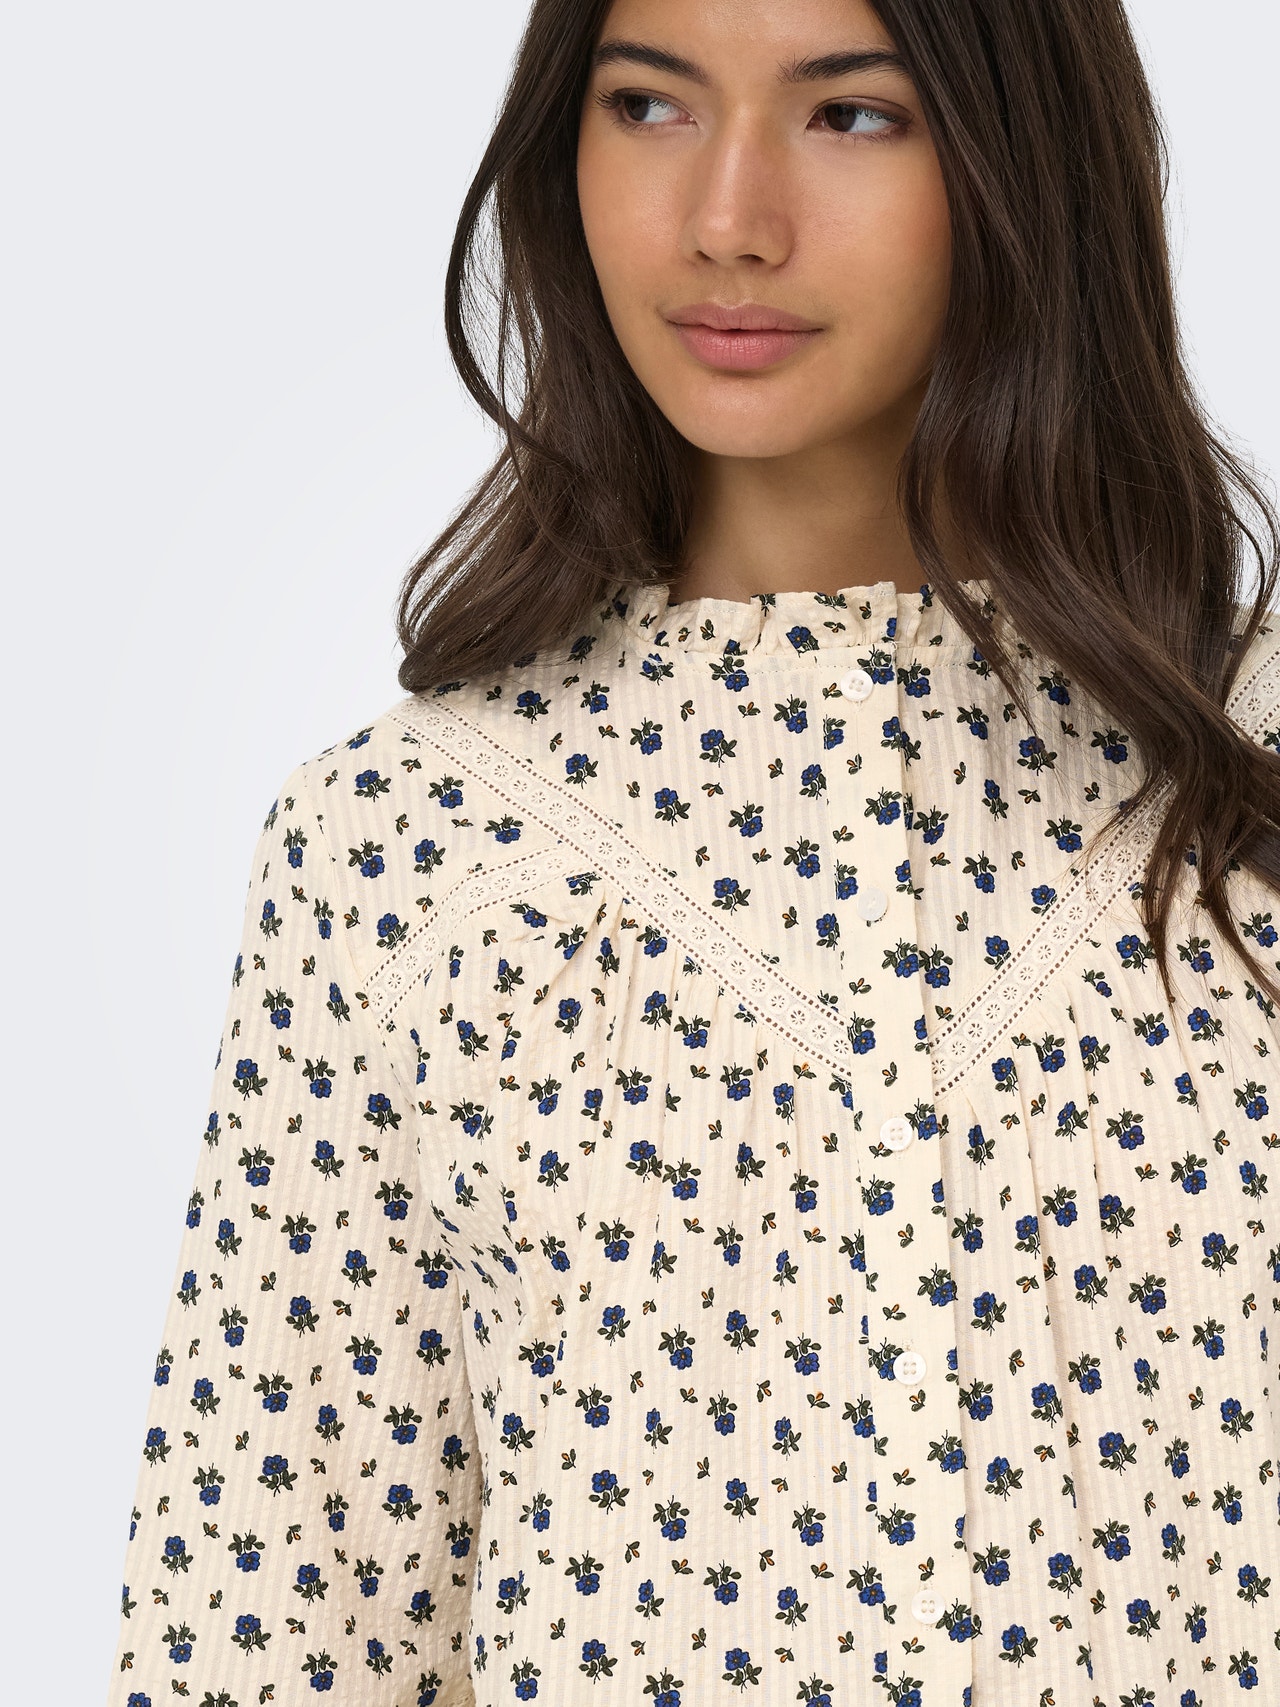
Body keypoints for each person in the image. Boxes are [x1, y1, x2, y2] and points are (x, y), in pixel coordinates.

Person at [106, 1, 1280, 1703]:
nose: (728, 218)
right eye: (648, 106)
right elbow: (273, 1636)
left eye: (851, 116)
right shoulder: (400, 851)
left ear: (1030, 158)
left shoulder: (1249, 780)